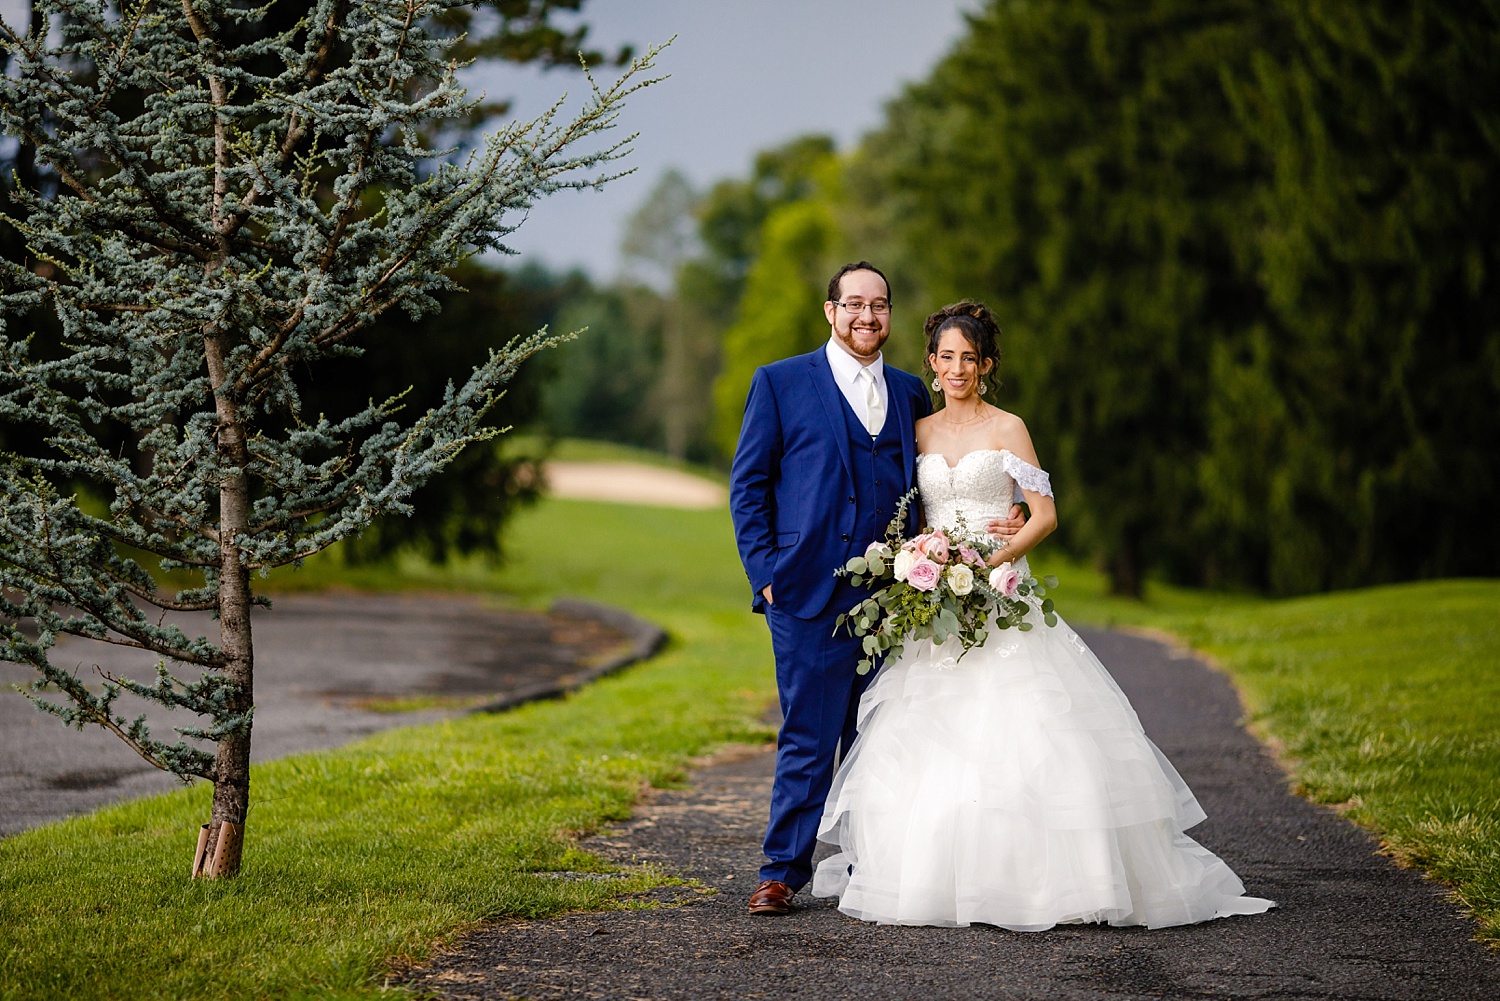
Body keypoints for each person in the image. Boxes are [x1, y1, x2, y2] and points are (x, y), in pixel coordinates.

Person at [811, 301, 1276, 929]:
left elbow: (1046, 514)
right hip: (937, 600)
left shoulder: (1009, 428)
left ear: (987, 364)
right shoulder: (917, 430)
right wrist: (924, 559)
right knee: (932, 727)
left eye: (968, 359)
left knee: (1025, 725)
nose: (955, 369)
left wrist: (991, 558)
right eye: (945, 358)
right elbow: (914, 510)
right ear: (931, 363)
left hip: (999, 588)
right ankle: (936, 877)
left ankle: (1048, 880)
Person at [729, 264, 1024, 916]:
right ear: (830, 310)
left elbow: (936, 482)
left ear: (890, 315)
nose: (868, 316)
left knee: (883, 734)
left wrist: (1004, 520)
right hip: (804, 591)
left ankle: (876, 865)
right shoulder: (779, 383)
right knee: (809, 736)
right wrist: (768, 576)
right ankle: (782, 871)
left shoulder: (911, 391)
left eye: (880, 305)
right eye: (855, 304)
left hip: (897, 599)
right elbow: (748, 486)